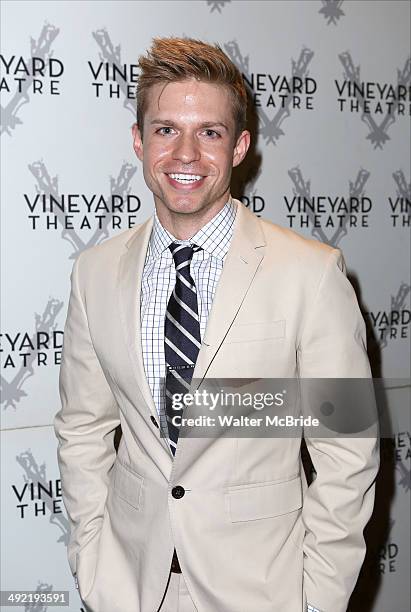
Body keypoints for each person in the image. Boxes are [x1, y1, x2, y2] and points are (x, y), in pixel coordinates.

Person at [54, 37, 379, 612]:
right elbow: (83, 430)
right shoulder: (94, 273)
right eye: (165, 129)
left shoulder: (311, 273)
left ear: (239, 147)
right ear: (138, 140)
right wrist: (92, 563)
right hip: (130, 587)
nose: (185, 154)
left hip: (261, 592)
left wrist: (317, 601)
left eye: (209, 132)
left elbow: (347, 450)